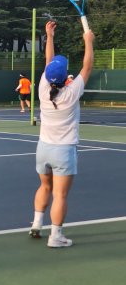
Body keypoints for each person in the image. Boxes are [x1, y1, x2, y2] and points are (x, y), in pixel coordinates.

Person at [28, 21, 94, 247]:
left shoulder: (42, 87)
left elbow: (49, 61)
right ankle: (55, 237)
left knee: (44, 187)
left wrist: (49, 36)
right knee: (60, 195)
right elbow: (87, 66)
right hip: (63, 151)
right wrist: (88, 41)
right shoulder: (72, 92)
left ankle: (37, 224)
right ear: (65, 75)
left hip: (43, 149)